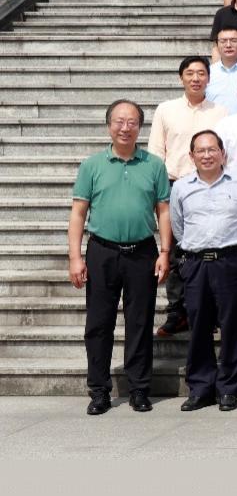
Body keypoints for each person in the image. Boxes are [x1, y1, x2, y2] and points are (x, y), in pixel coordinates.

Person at [69, 100, 172, 415]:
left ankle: (139, 389)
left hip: (142, 252)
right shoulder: (92, 165)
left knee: (140, 321)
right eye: (119, 121)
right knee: (98, 323)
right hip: (102, 251)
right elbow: (78, 214)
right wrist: (75, 257)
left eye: (132, 122)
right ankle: (99, 391)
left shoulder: (154, 165)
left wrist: (165, 251)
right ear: (108, 125)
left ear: (140, 127)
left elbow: (163, 211)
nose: (125, 128)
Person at [169, 130, 237, 412]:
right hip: (195, 264)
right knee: (199, 326)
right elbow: (178, 227)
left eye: (212, 149)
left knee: (232, 326)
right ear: (191, 156)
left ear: (222, 153)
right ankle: (201, 388)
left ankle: (229, 389)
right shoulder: (181, 187)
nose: (207, 155)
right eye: (201, 151)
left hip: (230, 261)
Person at [148, 56, 227, 338]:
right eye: (190, 73)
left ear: (209, 78)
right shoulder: (166, 109)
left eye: (201, 73)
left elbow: (224, 152)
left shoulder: (221, 112)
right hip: (174, 184)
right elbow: (156, 152)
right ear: (181, 77)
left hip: (208, 185)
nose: (196, 78)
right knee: (175, 250)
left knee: (208, 248)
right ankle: (177, 312)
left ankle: (210, 312)